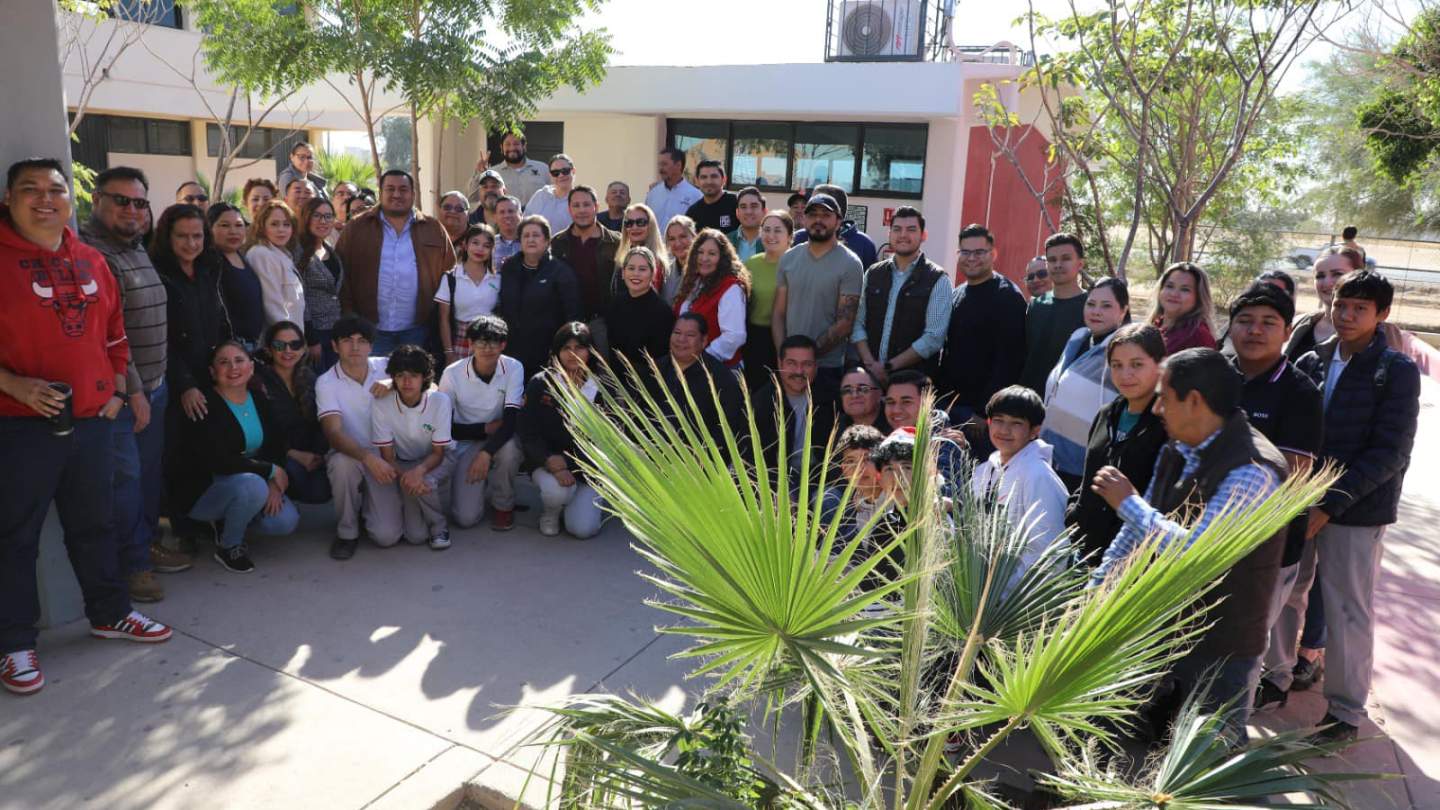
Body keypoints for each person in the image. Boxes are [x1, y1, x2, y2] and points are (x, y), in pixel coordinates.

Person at [1, 158, 173, 695]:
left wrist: (119, 389)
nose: (45, 199)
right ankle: (13, 645)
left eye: (55, 189)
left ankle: (110, 612)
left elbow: (115, 335)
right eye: (30, 190)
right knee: (16, 537)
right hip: (22, 425)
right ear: (9, 199)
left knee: (94, 522)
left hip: (95, 422)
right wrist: (13, 385)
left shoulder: (92, 260)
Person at [1091, 348, 1286, 741]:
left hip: (1221, 642)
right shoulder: (1178, 447)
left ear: (1194, 400)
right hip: (1167, 626)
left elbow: (1200, 555)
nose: (1158, 409)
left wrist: (1128, 504)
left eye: (1165, 397)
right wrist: (1098, 585)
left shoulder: (1253, 469)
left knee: (1208, 752)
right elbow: (1135, 531)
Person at [1293, 269, 1420, 744]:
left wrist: (1330, 503)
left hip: (1357, 512)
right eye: (1341, 305)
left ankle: (1345, 712)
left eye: (1359, 309)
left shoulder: (1396, 371)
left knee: (1348, 610)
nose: (1345, 316)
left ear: (1381, 315)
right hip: (1299, 504)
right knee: (1288, 593)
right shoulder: (1313, 359)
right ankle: (1278, 675)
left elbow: (1392, 452)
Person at [81, 167, 193, 590]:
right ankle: (133, 567)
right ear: (97, 202)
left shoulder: (133, 246)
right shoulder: (92, 253)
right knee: (126, 482)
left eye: (139, 203)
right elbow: (108, 332)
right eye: (121, 200)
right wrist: (133, 391)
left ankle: (144, 545)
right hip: (124, 393)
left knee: (146, 476)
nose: (131, 210)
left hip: (154, 384)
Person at [1213, 285, 1323, 715]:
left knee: (1243, 650)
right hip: (1204, 536)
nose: (1254, 331)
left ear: (1287, 331)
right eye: (1245, 321)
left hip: (1266, 547)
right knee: (1202, 642)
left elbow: (1293, 477)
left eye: (1268, 323)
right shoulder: (1215, 376)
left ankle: (1223, 740)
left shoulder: (1301, 392)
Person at [175, 341, 301, 573]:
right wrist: (270, 471)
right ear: (213, 372)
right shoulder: (204, 404)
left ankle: (234, 519)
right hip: (206, 490)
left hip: (250, 482)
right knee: (253, 486)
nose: (233, 367)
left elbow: (277, 444)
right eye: (223, 362)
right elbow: (219, 460)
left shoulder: (258, 398)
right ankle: (229, 545)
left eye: (239, 360)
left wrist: (274, 482)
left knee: (284, 521)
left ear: (251, 367)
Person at [1065, 323, 1167, 565]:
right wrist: (1074, 515)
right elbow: (1088, 475)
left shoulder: (1166, 426)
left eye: (1137, 364)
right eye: (1117, 365)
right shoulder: (1107, 414)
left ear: (1161, 365)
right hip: (1084, 552)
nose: (1125, 374)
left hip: (1129, 561)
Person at [335, 169, 456, 355]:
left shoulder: (433, 229)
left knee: (412, 382)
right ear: (380, 192)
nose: (397, 194)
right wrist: (351, 318)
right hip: (369, 331)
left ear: (413, 194)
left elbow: (450, 273)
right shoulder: (356, 228)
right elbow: (341, 275)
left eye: (403, 189)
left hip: (418, 331)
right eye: (390, 189)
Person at [971, 385, 1069, 584]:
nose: (1005, 430)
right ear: (988, 422)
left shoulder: (1039, 475)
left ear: (1035, 430)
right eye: (998, 420)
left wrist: (1010, 599)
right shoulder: (983, 471)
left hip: (1017, 602)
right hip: (980, 593)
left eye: (1016, 423)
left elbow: (1049, 552)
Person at [1040, 277, 1129, 492]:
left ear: (1123, 311)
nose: (1096, 311)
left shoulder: (1123, 348)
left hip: (1086, 467)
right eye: (1091, 304)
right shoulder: (1078, 338)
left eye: (1106, 306)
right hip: (1051, 456)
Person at [519, 323, 607, 538]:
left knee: (582, 529)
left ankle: (582, 505)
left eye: (580, 347)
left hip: (587, 469)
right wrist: (548, 460)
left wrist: (568, 464)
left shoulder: (603, 388)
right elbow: (527, 431)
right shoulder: (540, 384)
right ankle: (551, 512)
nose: (572, 354)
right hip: (549, 463)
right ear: (557, 351)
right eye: (566, 348)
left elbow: (606, 442)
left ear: (590, 351)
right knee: (557, 492)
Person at [316, 316, 394, 560]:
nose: (355, 347)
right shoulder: (326, 382)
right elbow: (334, 434)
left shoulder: (387, 366)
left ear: (371, 346)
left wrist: (394, 382)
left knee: (386, 536)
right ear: (335, 346)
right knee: (341, 463)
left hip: (387, 454)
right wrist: (368, 459)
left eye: (362, 341)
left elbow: (430, 385)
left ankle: (367, 508)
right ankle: (347, 532)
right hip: (351, 454)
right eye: (347, 341)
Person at [438, 315, 525, 531]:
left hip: (499, 438)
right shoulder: (452, 373)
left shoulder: (514, 368)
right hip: (464, 440)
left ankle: (503, 505)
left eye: (494, 341)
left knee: (510, 451)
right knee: (465, 519)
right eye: (481, 341)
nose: (487, 348)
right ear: (470, 344)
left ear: (503, 344)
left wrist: (486, 454)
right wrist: (484, 429)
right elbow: (444, 427)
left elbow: (510, 421)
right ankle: (479, 486)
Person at [935, 222, 1027, 426]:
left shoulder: (1007, 296)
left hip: (980, 415)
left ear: (993, 254)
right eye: (966, 252)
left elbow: (1009, 361)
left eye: (979, 252)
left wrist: (984, 411)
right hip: (949, 407)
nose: (972, 258)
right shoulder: (958, 293)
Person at [852, 207, 952, 387]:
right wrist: (871, 365)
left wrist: (888, 367)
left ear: (924, 235)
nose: (903, 235)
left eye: (911, 229)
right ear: (889, 234)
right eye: (897, 229)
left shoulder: (938, 279)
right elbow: (858, 323)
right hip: (869, 379)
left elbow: (933, 338)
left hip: (912, 384)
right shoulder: (873, 273)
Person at [370, 345, 455, 550]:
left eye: (414, 375)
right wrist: (409, 475)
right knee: (415, 536)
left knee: (425, 481)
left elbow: (438, 453)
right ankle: (422, 505)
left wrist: (418, 472)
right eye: (400, 375)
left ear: (424, 377)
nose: (407, 382)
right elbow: (388, 458)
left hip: (437, 458)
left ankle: (439, 527)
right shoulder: (381, 404)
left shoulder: (440, 401)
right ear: (393, 378)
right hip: (402, 462)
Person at [772, 193, 863, 384]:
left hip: (826, 367)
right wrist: (785, 356)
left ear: (838, 222)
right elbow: (779, 314)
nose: (818, 220)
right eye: (813, 215)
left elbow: (845, 323)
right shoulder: (788, 259)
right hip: (788, 366)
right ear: (804, 219)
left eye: (826, 215)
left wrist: (808, 357)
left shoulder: (850, 263)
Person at [254, 321, 331, 505]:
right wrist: (293, 454)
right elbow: (261, 434)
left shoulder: (310, 378)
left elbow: (321, 423)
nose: (288, 350)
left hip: (311, 455)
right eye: (280, 345)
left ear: (304, 348)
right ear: (268, 349)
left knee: (321, 492)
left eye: (295, 345)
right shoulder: (258, 383)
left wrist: (319, 454)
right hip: (278, 456)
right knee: (300, 480)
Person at [497, 215, 582, 377]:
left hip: (547, 351)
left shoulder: (560, 271)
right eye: (526, 236)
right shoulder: (509, 268)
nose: (531, 240)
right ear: (519, 241)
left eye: (536, 235)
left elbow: (573, 313)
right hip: (512, 351)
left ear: (547, 241)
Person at [652, 313, 748, 453]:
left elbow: (728, 430)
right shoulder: (654, 370)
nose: (681, 339)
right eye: (677, 333)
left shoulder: (721, 379)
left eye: (690, 335)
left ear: (704, 341)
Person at [751, 335, 840, 476]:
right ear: (780, 364)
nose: (799, 371)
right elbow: (750, 457)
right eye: (791, 363)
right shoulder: (762, 402)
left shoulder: (833, 398)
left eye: (807, 364)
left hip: (823, 480)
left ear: (816, 366)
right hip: (776, 481)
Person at [1019, 233, 1089, 394]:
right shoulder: (1036, 305)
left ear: (1080, 264)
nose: (1058, 264)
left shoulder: (1092, 307)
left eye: (1066, 258)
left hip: (1070, 401)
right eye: (1052, 260)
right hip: (1029, 402)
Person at [882, 369, 967, 495]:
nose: (896, 410)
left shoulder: (944, 444)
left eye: (906, 402)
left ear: (928, 403)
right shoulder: (888, 438)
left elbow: (944, 495)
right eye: (890, 402)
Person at [675, 229, 750, 369]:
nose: (704, 258)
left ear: (722, 258)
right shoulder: (694, 282)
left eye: (712, 254)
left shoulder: (731, 288)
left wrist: (702, 361)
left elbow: (734, 336)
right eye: (700, 252)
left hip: (720, 369)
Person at [550, 185, 622, 329]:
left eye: (586, 205)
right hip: (566, 322)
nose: (582, 210)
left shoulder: (616, 242)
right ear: (569, 209)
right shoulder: (557, 243)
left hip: (604, 323)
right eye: (576, 205)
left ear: (596, 207)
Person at [605, 247, 675, 382]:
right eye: (631, 268)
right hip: (619, 382)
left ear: (652, 274)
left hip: (649, 384)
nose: (635, 274)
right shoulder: (616, 304)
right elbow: (612, 349)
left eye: (642, 269)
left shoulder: (662, 312)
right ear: (623, 273)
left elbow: (662, 360)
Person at [741, 210, 792, 389]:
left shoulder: (796, 264)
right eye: (766, 229)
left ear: (790, 236)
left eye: (778, 230)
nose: (771, 235)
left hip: (789, 337)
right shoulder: (750, 264)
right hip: (755, 340)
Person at [436, 224, 501, 361]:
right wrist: (449, 352)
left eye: (486, 245)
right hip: (461, 342)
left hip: (491, 342)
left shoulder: (498, 279)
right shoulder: (451, 278)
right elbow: (443, 319)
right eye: (475, 243)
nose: (480, 249)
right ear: (465, 245)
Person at [1286, 246, 1361, 362]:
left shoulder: (1381, 333)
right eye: (1320, 276)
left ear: (1359, 276)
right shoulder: (1299, 324)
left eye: (1337, 274)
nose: (1327, 283)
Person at [819, 425, 888, 546]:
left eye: (868, 459)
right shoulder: (854, 507)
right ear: (844, 469)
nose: (859, 468)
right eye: (851, 461)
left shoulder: (899, 504)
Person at [209, 203, 265, 351]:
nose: (233, 231)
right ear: (209, 228)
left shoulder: (243, 256)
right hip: (231, 348)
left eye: (239, 225)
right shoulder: (211, 263)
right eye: (225, 225)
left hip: (254, 345)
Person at [297, 197, 344, 369]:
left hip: (333, 333)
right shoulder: (298, 252)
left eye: (328, 216)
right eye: (317, 216)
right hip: (313, 335)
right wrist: (311, 339)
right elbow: (300, 298)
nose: (323, 221)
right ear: (306, 218)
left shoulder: (329, 248)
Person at [243, 199, 305, 329]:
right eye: (274, 224)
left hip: (295, 335)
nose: (281, 230)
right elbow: (272, 306)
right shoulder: (261, 254)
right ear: (262, 227)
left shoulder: (283, 254)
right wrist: (287, 337)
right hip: (281, 340)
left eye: (286, 224)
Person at [792, 184, 878, 269]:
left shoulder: (864, 243)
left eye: (816, 203)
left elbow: (871, 280)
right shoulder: (797, 238)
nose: (808, 206)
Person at [1150, 262, 1217, 354]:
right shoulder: (1155, 325)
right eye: (1169, 286)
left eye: (1185, 289)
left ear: (1198, 297)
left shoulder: (1199, 336)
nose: (1174, 294)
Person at [614, 203, 672, 294]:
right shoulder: (623, 257)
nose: (634, 227)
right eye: (629, 223)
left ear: (651, 225)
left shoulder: (657, 262)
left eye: (640, 222)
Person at [480, 132, 549, 207]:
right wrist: (478, 173)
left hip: (535, 218)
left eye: (516, 144)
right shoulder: (493, 173)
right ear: (501, 148)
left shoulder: (543, 169)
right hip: (505, 218)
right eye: (508, 144)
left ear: (524, 146)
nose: (512, 148)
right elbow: (472, 198)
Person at [645, 147, 702, 231]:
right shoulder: (653, 193)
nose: (660, 169)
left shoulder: (696, 196)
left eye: (664, 164)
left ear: (678, 165)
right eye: (659, 164)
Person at [524, 154, 576, 232]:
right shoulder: (540, 196)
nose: (561, 175)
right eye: (555, 172)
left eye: (565, 171)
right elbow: (525, 223)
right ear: (550, 175)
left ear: (573, 171)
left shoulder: (579, 199)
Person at [683, 160, 739, 232]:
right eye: (704, 177)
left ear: (724, 179)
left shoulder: (737, 204)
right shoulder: (692, 213)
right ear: (697, 181)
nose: (709, 182)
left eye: (714, 176)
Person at [837, 365, 890, 435]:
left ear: (879, 394)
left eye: (863, 389)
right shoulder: (836, 426)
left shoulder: (894, 422)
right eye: (847, 390)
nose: (854, 395)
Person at [662, 215, 696, 306]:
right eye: (672, 239)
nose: (677, 243)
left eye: (683, 236)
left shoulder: (705, 269)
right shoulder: (665, 273)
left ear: (694, 236)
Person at [727, 187, 766, 261]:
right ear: (737, 213)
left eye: (754, 206)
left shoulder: (772, 240)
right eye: (743, 207)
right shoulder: (726, 241)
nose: (748, 212)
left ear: (764, 211)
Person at [492, 194, 523, 269]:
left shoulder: (531, 243)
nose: (506, 215)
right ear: (495, 217)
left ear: (521, 215)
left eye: (511, 211)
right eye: (502, 212)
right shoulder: (489, 244)